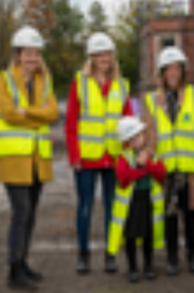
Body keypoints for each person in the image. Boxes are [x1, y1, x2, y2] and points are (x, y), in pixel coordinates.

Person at [0, 26, 59, 290]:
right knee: (21, 212)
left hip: (36, 159)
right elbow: (9, 113)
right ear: (18, 55)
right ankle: (13, 269)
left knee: (30, 214)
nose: (32, 58)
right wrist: (37, 114)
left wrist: (28, 113)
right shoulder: (4, 79)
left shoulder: (45, 80)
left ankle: (23, 263)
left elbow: (53, 113)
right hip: (14, 159)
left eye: (36, 53)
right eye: (27, 53)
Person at [65, 32, 133, 274]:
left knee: (112, 208)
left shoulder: (122, 85)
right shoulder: (79, 83)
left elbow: (128, 124)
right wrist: (74, 156)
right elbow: (71, 123)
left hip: (113, 158)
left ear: (113, 57)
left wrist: (126, 155)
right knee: (85, 207)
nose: (104, 58)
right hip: (87, 158)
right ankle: (83, 255)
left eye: (108, 54)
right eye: (100, 54)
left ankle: (110, 255)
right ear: (91, 57)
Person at [141, 46, 194, 276]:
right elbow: (149, 133)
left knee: (192, 215)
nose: (173, 72)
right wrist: (148, 156)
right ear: (161, 72)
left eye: (176, 67)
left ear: (183, 70)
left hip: (191, 167)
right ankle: (172, 259)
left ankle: (193, 256)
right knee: (169, 215)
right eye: (168, 68)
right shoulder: (151, 100)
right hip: (165, 167)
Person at [107, 116, 166, 283]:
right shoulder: (123, 157)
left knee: (148, 235)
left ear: (144, 134)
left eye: (138, 136)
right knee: (131, 235)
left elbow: (161, 174)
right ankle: (132, 267)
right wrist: (141, 169)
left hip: (148, 201)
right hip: (131, 204)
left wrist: (147, 164)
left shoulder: (153, 156)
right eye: (131, 138)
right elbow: (123, 177)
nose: (135, 140)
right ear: (126, 141)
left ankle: (148, 266)